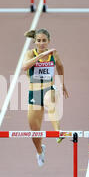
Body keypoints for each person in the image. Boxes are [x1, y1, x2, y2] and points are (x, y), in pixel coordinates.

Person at [22, 29, 69, 167]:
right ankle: (39, 150)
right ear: (35, 42)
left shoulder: (53, 53)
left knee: (49, 100)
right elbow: (25, 67)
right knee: (35, 131)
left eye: (44, 40)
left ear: (48, 41)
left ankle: (58, 132)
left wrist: (62, 84)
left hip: (49, 88)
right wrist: (41, 55)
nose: (41, 43)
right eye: (39, 40)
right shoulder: (30, 53)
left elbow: (60, 66)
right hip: (34, 93)